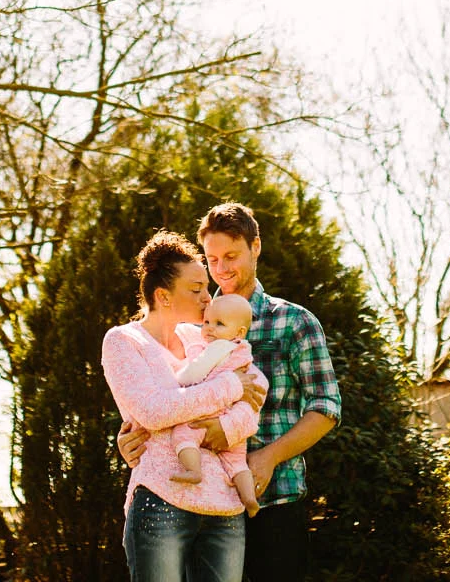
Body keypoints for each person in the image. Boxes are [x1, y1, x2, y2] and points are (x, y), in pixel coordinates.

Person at [120, 203, 341, 582]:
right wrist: (130, 440)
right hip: (203, 505)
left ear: (256, 247)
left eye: (231, 256)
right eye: (212, 259)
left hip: (273, 500)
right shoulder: (191, 328)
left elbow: (326, 407)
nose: (221, 269)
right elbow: (166, 398)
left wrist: (268, 458)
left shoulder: (294, 321)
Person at [101, 230, 269, 582]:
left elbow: (254, 395)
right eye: (196, 290)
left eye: (206, 287)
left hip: (225, 505)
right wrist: (230, 386)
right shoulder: (124, 341)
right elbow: (154, 411)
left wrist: (226, 428)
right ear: (163, 296)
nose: (209, 298)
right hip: (162, 500)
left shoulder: (204, 337)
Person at [168, 294, 262, 517]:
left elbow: (194, 373)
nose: (209, 328)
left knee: (183, 434)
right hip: (233, 420)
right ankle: (249, 498)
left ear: (239, 332)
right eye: (207, 322)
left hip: (213, 410)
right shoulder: (243, 350)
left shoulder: (219, 347)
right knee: (237, 462)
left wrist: (175, 379)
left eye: (219, 324)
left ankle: (193, 470)